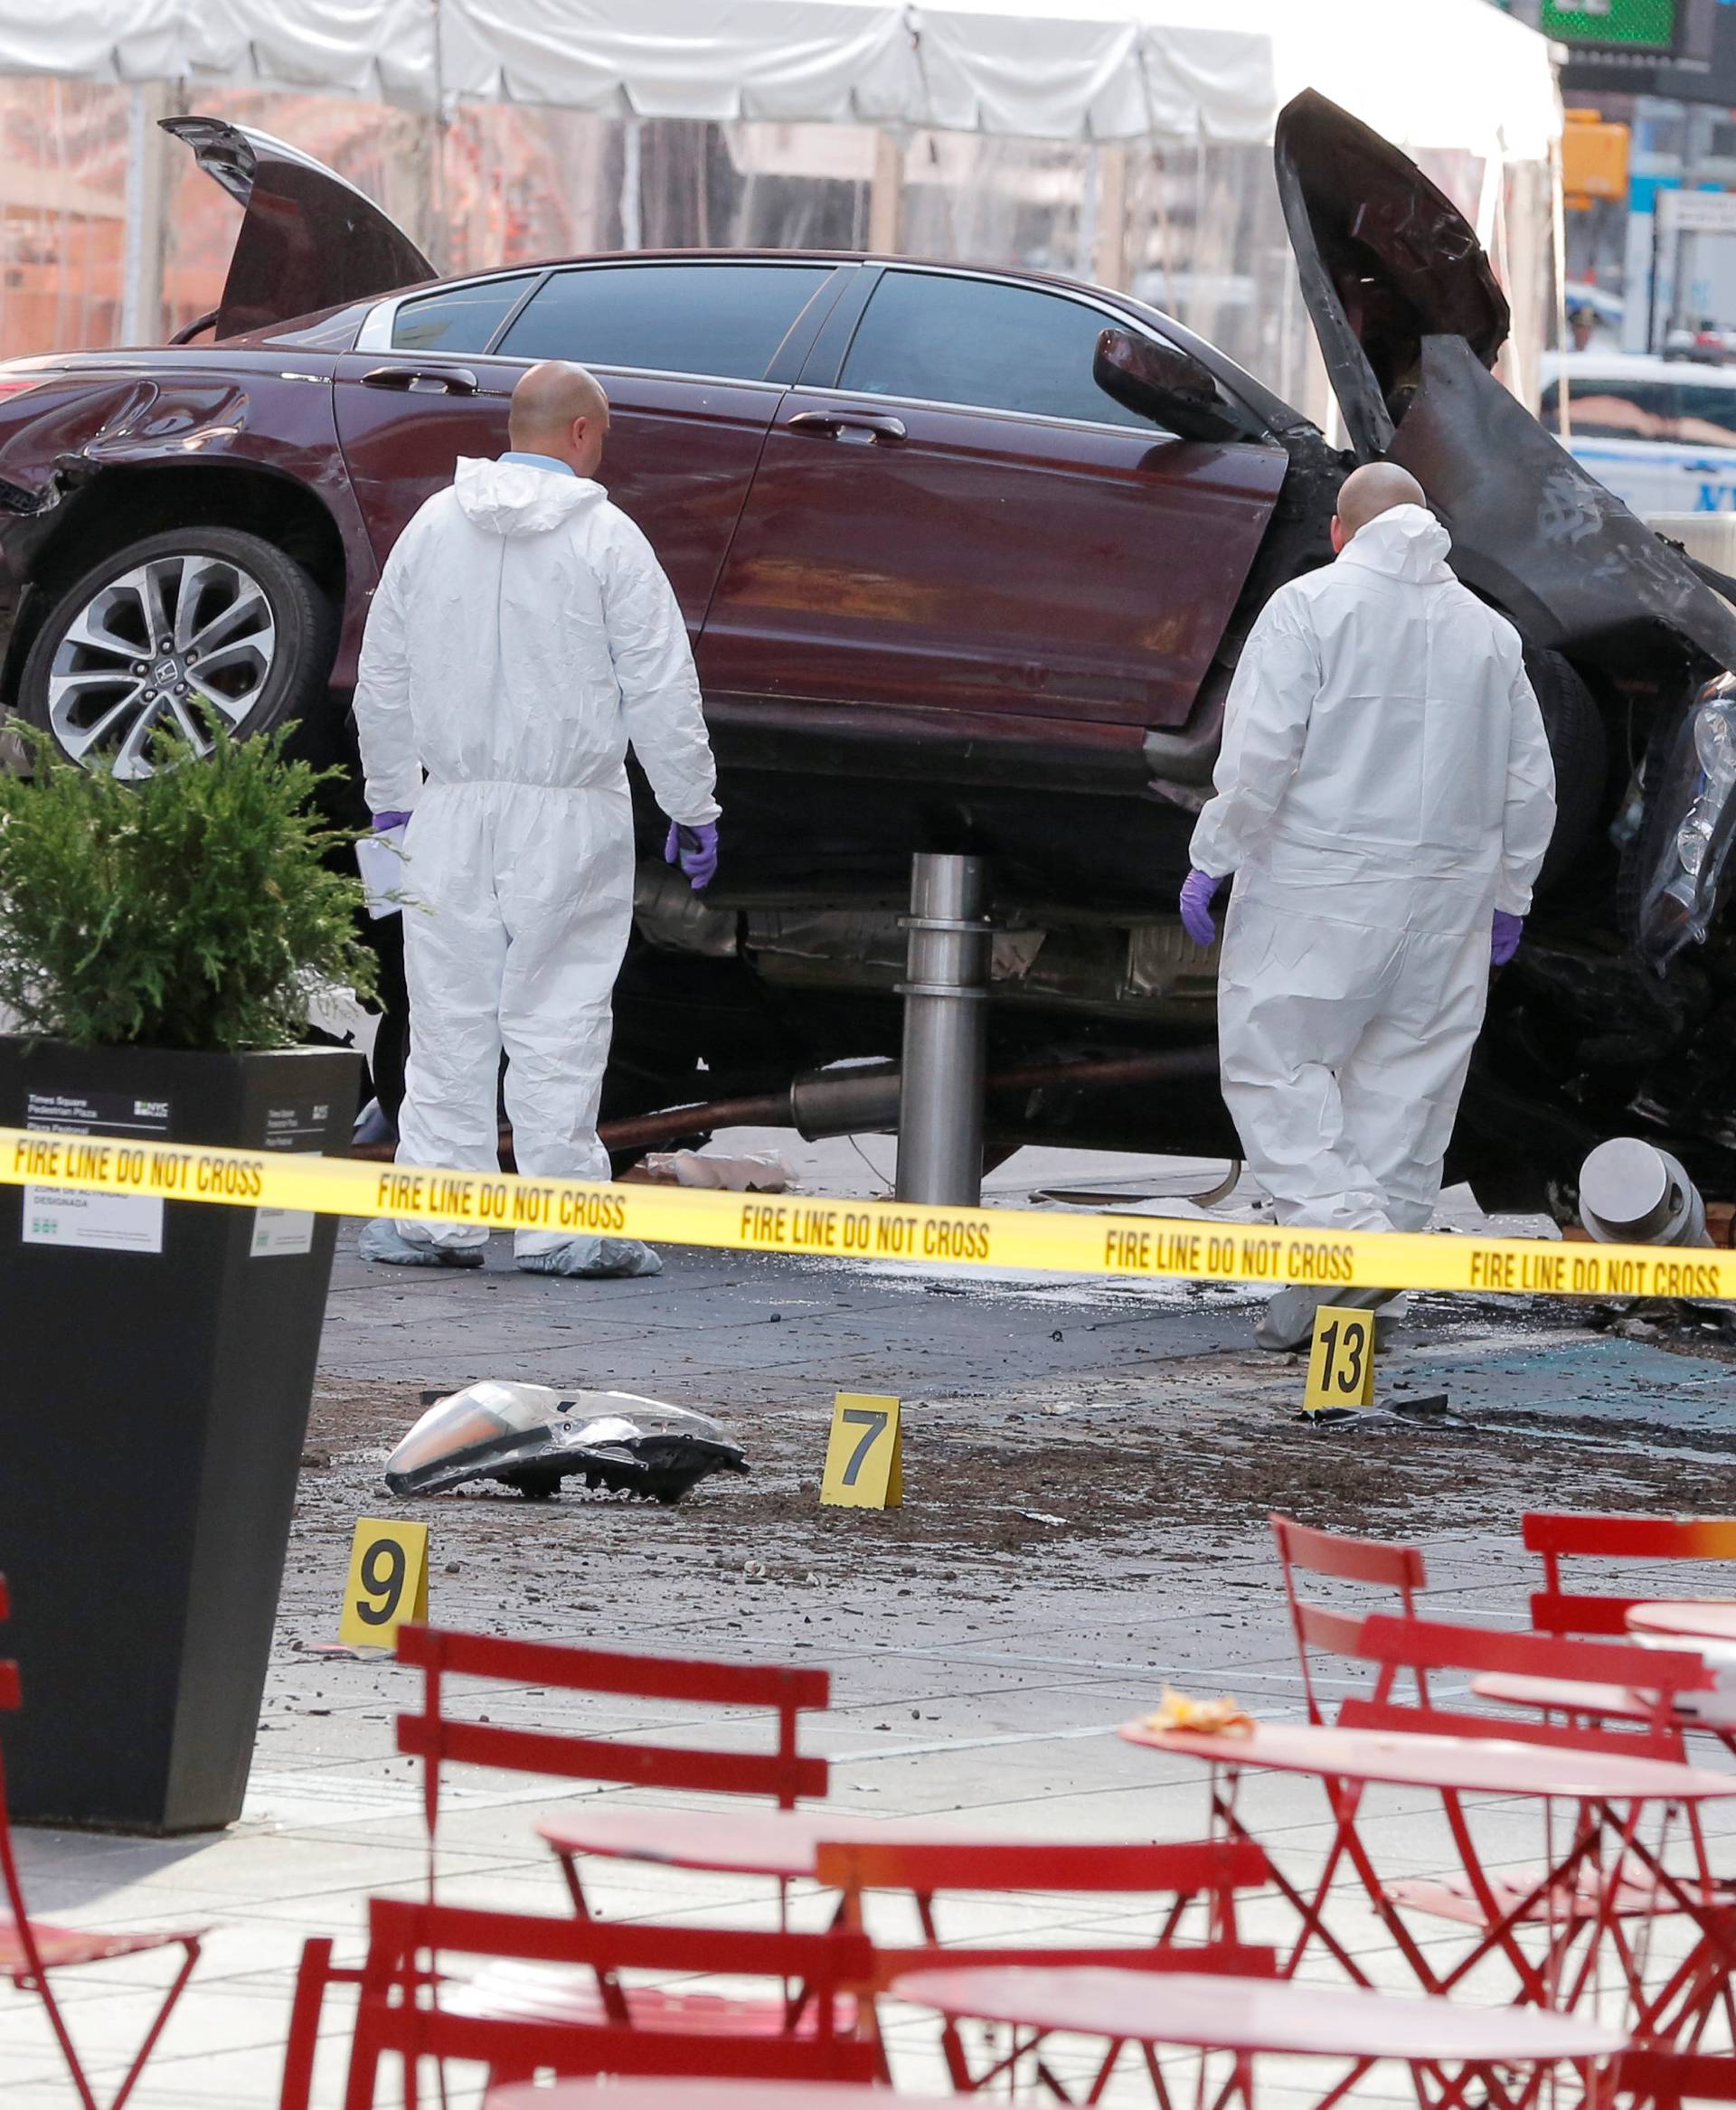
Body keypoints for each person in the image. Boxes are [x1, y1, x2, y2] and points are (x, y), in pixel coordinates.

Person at [352, 360, 721, 1276]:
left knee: (448, 1018)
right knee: (559, 1015)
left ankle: (439, 1221)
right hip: (569, 814)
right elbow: (660, 687)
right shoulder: (609, 540)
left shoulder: (431, 529)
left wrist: (391, 796)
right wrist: (690, 804)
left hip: (446, 807)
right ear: (584, 432)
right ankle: (566, 1227)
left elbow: (382, 676)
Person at [1177, 462, 1556, 1350]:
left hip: (1319, 890)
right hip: (1449, 906)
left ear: (1342, 534)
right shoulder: (1490, 634)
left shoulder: (1311, 607)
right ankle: (1338, 1305)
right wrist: (1511, 895)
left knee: (1278, 1068)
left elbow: (1262, 753)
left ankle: (1353, 1248)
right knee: (1405, 1098)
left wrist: (1212, 856)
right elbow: (1530, 784)